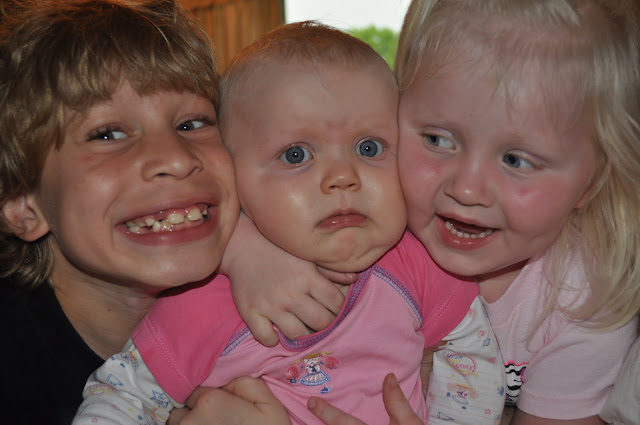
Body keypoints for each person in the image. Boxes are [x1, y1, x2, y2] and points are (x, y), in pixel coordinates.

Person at [215, 1, 640, 424]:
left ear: (593, 181)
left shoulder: (588, 303)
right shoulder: (360, 215)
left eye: (517, 160)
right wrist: (239, 247)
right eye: (437, 140)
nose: (466, 189)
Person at [73, 21, 505, 425]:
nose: (343, 177)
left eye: (369, 148)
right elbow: (120, 396)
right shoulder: (201, 303)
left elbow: (473, 354)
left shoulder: (418, 265)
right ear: (235, 178)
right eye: (296, 155)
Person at [0, 1, 241, 424]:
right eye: (108, 134)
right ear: (23, 205)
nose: (176, 158)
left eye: (192, 123)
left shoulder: (295, 299)